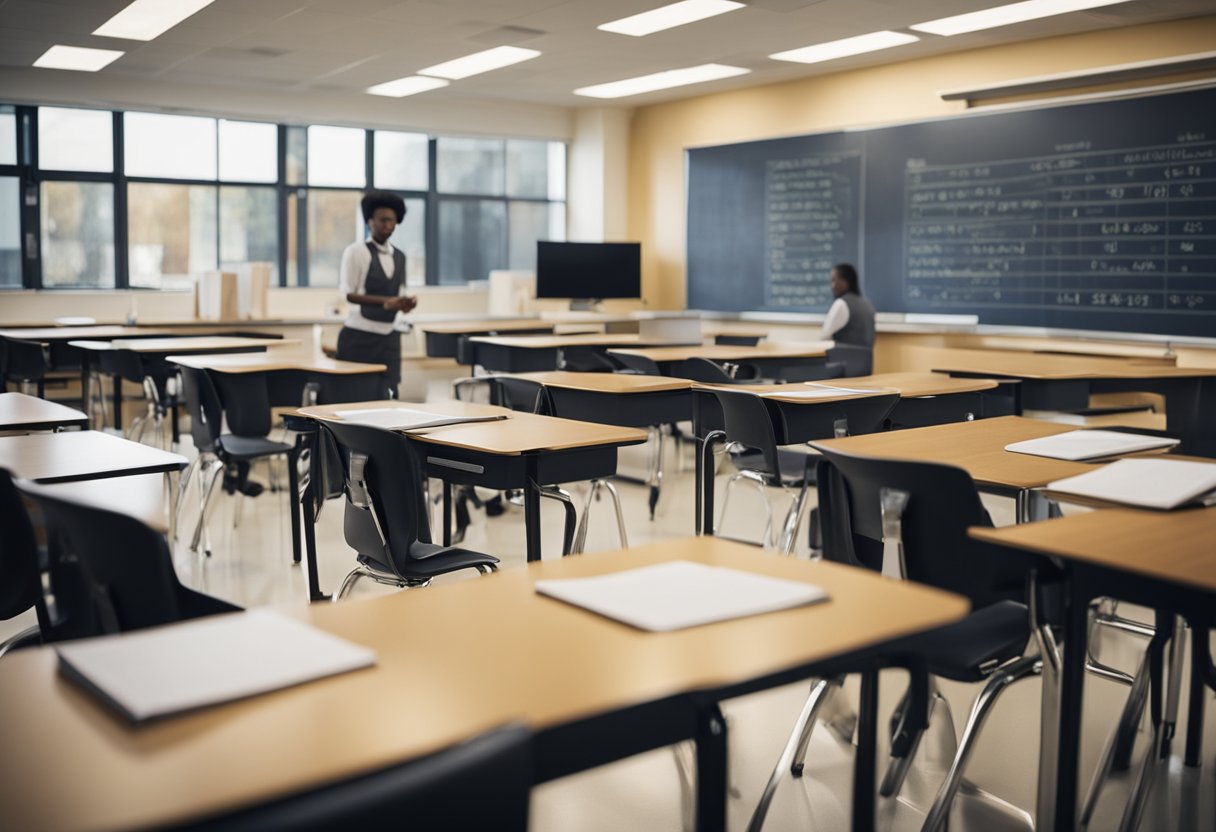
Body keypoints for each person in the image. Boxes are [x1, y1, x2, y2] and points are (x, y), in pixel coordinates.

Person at [336, 191, 417, 396]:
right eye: (383, 220)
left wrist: (405, 304)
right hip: (359, 337)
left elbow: (399, 292)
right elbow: (349, 293)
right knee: (354, 396)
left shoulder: (400, 257)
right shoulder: (355, 252)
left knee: (390, 395)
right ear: (370, 222)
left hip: (389, 338)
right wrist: (385, 302)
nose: (388, 225)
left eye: (393, 220)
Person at [819, 263, 875, 347]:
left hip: (842, 358)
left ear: (845, 282)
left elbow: (823, 336)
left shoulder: (841, 304)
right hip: (865, 359)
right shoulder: (867, 304)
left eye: (834, 280)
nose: (832, 286)